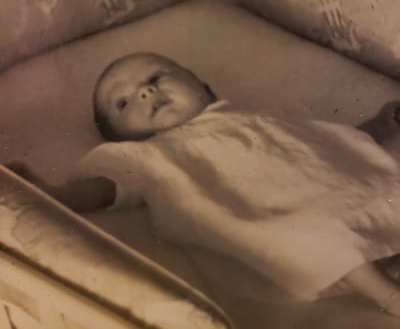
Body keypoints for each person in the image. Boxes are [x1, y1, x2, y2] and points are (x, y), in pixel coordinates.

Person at [7, 52, 400, 316]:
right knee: (322, 237)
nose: (146, 92)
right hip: (280, 218)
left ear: (202, 84)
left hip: (336, 187)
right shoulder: (147, 155)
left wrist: (378, 126)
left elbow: (320, 142)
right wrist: (48, 192)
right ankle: (386, 295)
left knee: (378, 198)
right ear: (117, 136)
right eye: (123, 104)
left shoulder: (252, 115)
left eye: (157, 78)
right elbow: (101, 187)